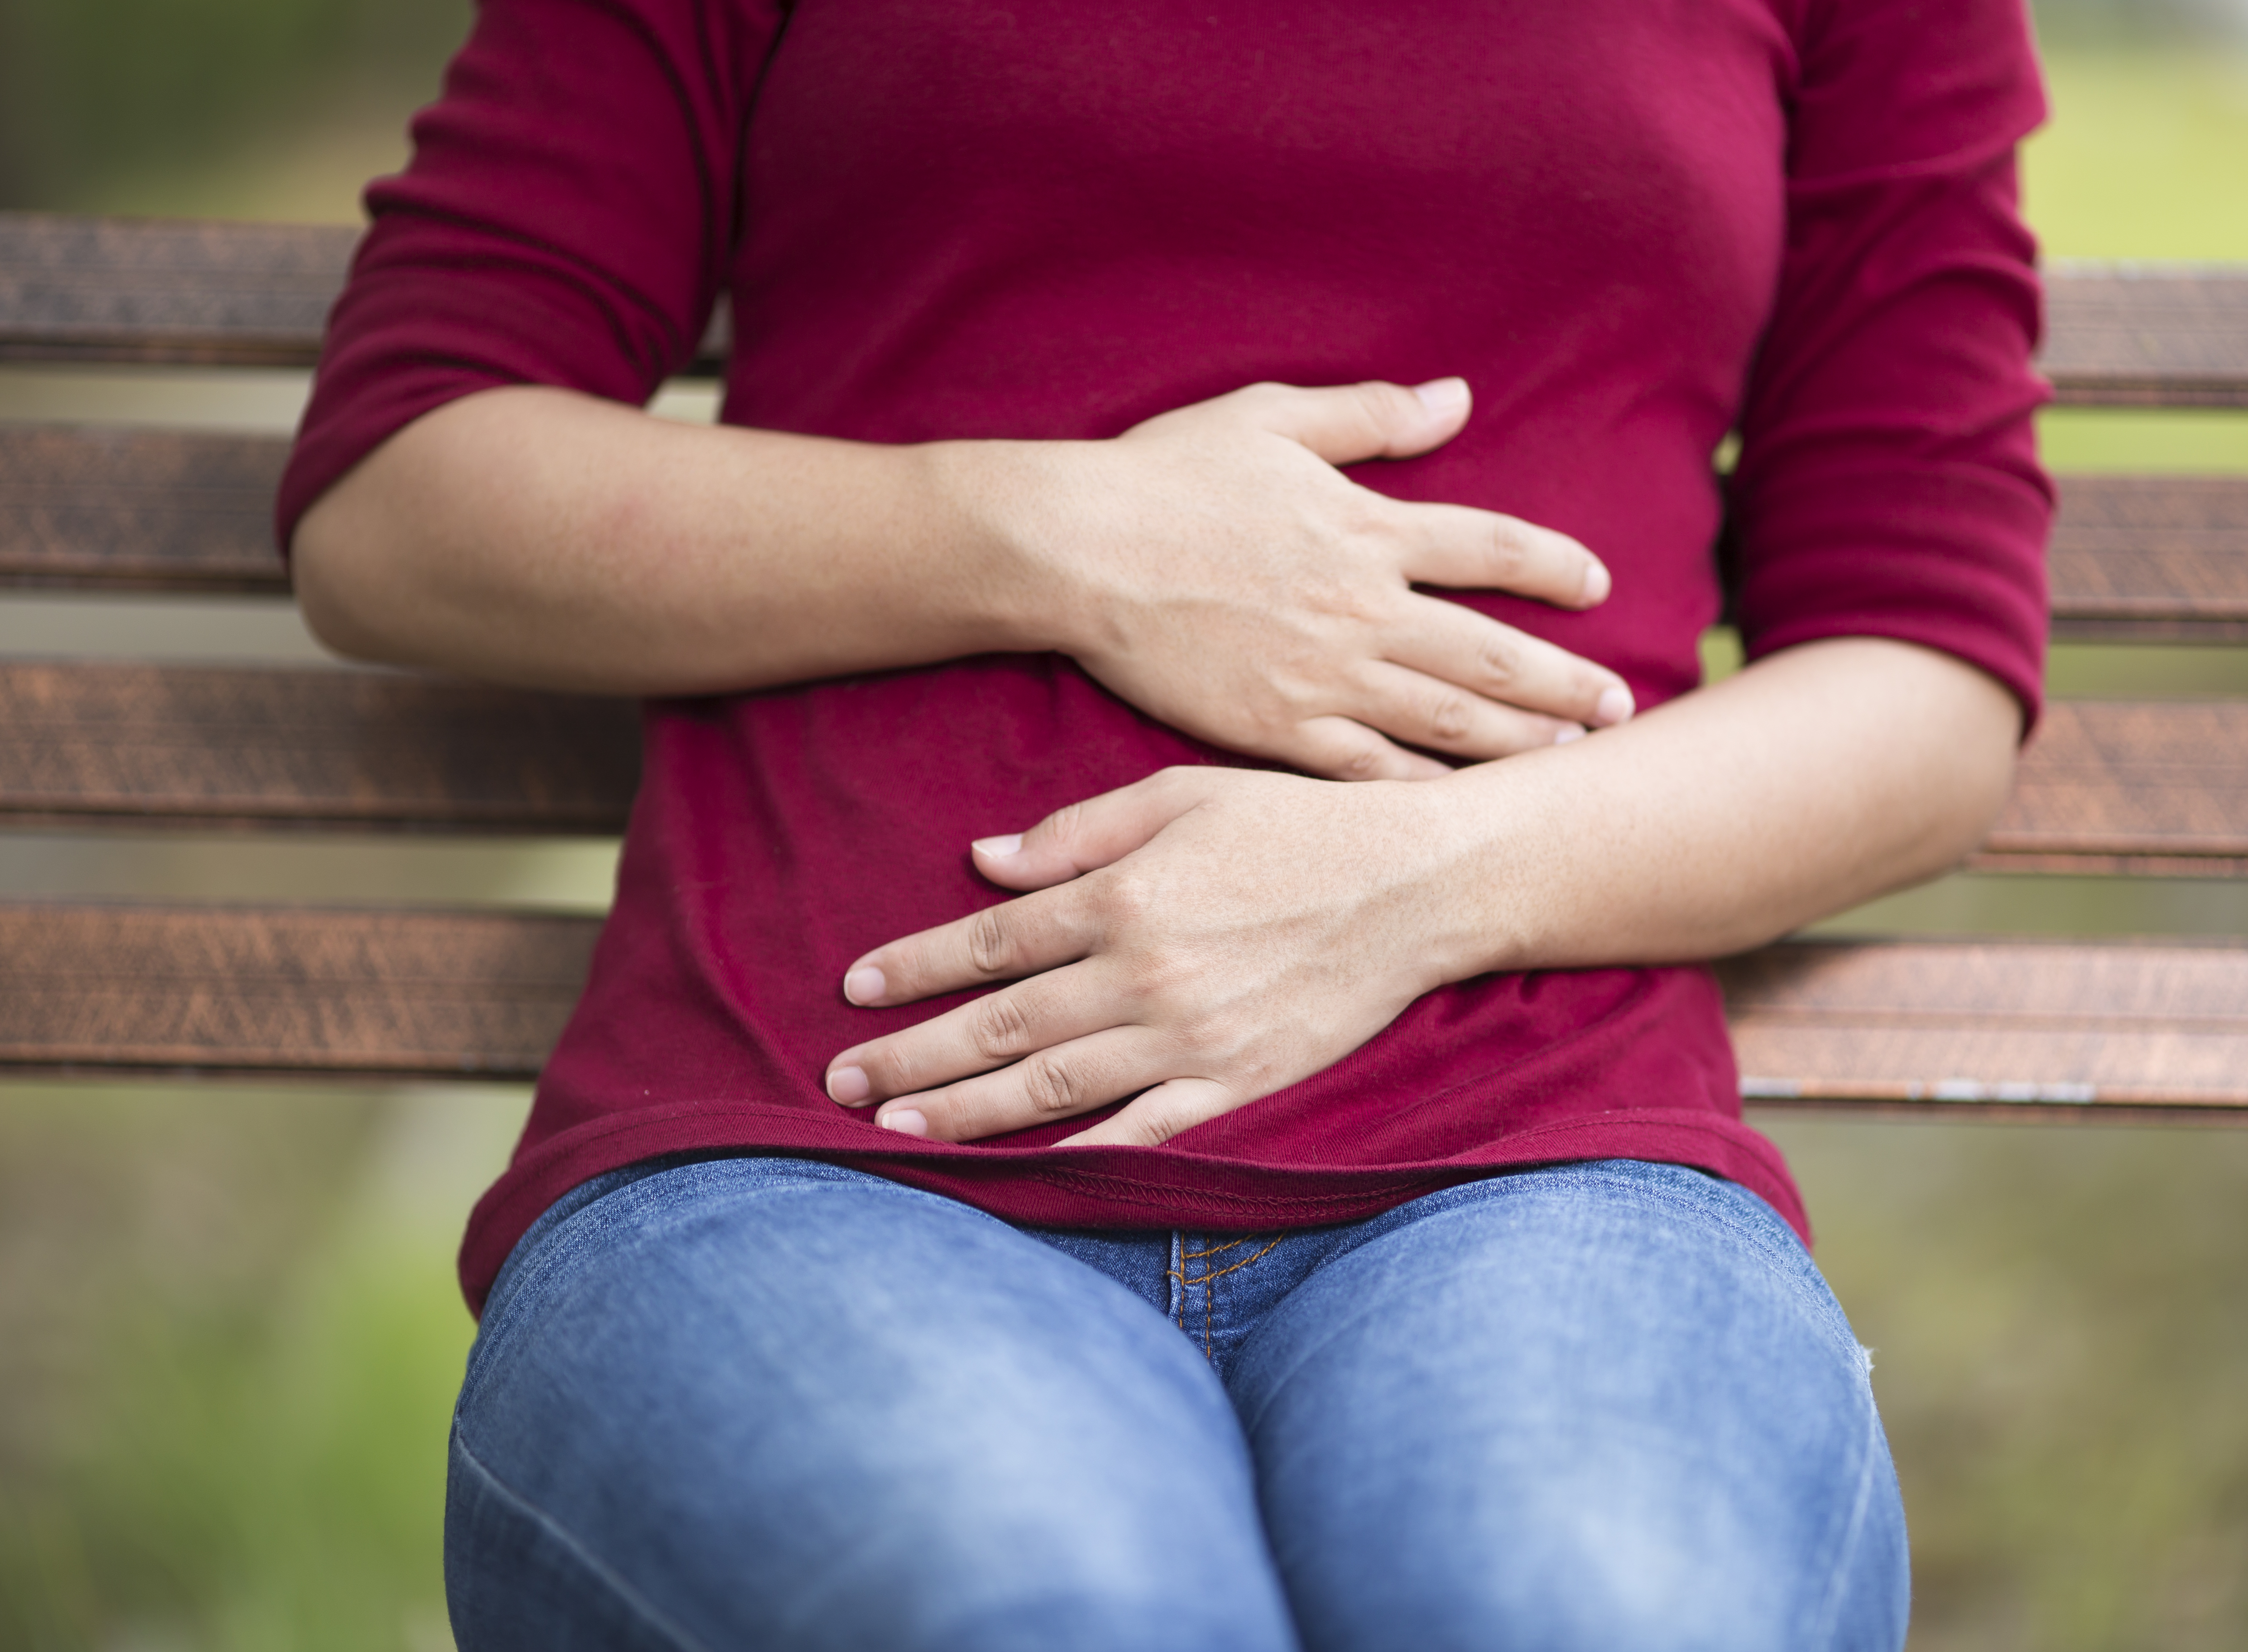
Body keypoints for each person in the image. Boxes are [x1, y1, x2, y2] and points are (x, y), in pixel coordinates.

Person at [281, 0, 2051, 1646]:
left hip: (1544, 1156)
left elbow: (1927, 678)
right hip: (808, 1150)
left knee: (1566, 1606)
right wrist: (1059, 542)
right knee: (1050, 1599)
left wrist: (1421, 885)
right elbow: (407, 493)